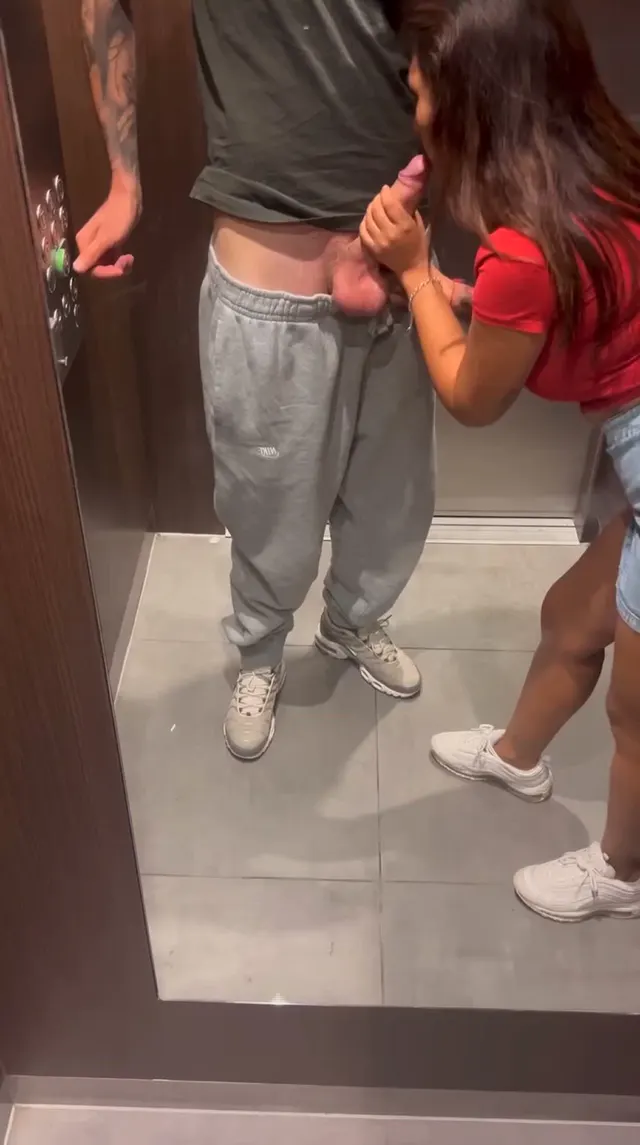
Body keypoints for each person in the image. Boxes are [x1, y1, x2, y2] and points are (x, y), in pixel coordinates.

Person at [76, 0, 440, 761]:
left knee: (394, 501)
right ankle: (261, 653)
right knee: (268, 509)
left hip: (400, 268)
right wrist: (123, 177)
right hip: (270, 281)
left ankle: (351, 622)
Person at [360, 0, 640, 922]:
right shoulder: (604, 173)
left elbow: (472, 398)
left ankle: (623, 871)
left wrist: (412, 272)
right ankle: (519, 758)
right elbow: (578, 304)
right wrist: (477, 302)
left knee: (635, 715)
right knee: (572, 617)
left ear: (474, 102)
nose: (415, 105)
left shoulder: (523, 245)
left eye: (421, 89)